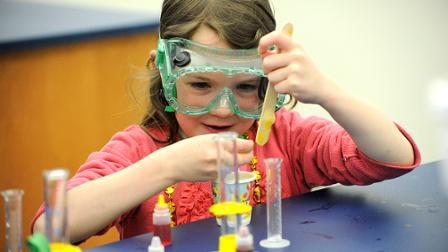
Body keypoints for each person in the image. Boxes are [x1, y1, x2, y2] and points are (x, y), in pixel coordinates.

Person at [31, 0, 420, 244]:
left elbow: (392, 158)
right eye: (201, 84)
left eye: (247, 87)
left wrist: (328, 92)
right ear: (164, 72)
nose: (223, 108)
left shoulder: (286, 137)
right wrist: (164, 167)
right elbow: (49, 231)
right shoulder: (139, 149)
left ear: (269, 83)